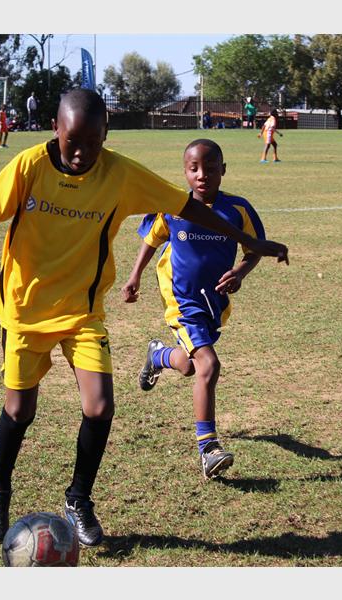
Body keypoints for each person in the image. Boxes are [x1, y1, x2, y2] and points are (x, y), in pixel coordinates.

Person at [0, 89, 288, 548]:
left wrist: (250, 243)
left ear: (105, 136)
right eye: (72, 141)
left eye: (93, 143)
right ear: (55, 129)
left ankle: (79, 499)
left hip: (82, 312)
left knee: (99, 407)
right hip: (24, 310)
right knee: (19, 410)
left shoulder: (120, 174)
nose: (81, 152)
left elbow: (187, 207)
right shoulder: (29, 166)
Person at [121, 139, 267, 480]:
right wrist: (134, 276)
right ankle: (208, 448)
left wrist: (239, 273)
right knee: (209, 365)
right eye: (194, 169)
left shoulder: (238, 209)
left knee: (189, 366)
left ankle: (158, 355)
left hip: (212, 303)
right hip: (181, 301)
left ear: (223, 170)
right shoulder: (173, 207)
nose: (202, 175)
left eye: (210, 169)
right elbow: (151, 240)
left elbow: (255, 249)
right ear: (185, 172)